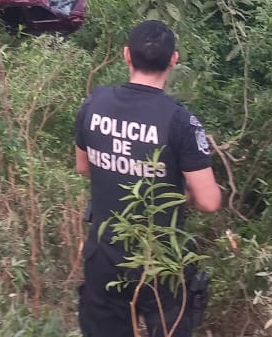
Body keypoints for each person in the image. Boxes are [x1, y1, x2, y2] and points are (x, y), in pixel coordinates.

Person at [74, 20, 221, 337]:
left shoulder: (92, 105)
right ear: (173, 60)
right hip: (160, 260)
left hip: (103, 254)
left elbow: (83, 167)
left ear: (126, 55)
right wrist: (184, 193)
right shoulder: (181, 122)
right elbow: (209, 201)